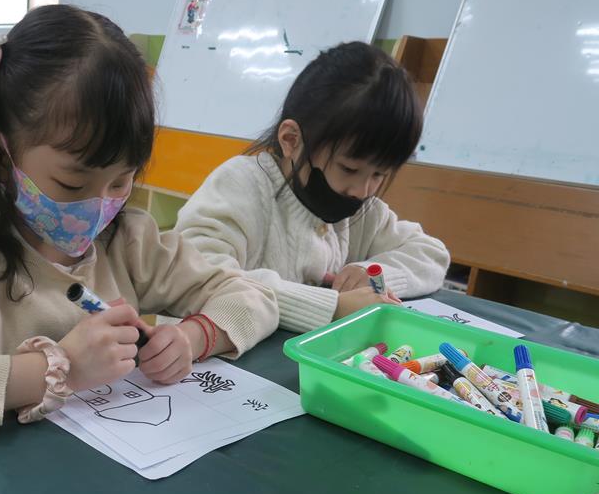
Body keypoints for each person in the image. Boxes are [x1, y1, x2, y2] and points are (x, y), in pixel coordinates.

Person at [0, 5, 278, 435]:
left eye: (121, 181)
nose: (99, 205)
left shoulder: (127, 240)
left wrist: (193, 338)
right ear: (0, 155)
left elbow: (253, 294)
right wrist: (59, 369)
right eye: (72, 184)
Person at [174, 42, 449, 333]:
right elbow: (201, 276)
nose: (362, 190)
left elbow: (431, 254)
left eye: (379, 174)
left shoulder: (363, 212)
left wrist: (372, 274)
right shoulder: (240, 185)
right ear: (291, 140)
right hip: (211, 355)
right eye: (349, 169)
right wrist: (331, 307)